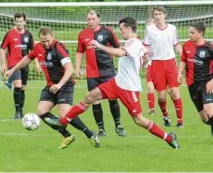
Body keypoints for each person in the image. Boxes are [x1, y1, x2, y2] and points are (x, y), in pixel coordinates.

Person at [45, 17, 180, 149]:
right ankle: (63, 121)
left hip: (128, 87)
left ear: (128, 28)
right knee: (90, 96)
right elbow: (145, 57)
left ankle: (169, 138)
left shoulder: (135, 43)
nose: (120, 32)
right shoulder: (133, 43)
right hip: (117, 82)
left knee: (139, 119)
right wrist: (140, 62)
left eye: (121, 29)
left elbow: (121, 53)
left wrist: (100, 46)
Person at [4, 26, 100, 149]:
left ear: (52, 36)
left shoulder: (58, 48)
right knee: (41, 111)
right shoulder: (38, 47)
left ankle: (90, 134)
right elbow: (27, 59)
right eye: (43, 41)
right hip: (51, 86)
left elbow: (70, 69)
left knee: (64, 113)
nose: (46, 43)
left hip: (65, 85)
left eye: (48, 40)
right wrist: (12, 70)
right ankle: (67, 136)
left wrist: (59, 84)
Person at [75, 10, 126, 137]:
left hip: (108, 72)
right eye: (88, 19)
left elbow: (119, 49)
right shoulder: (82, 34)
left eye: (93, 19)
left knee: (113, 98)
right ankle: (101, 128)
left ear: (98, 19)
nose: (90, 22)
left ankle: (118, 125)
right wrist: (77, 67)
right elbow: (80, 52)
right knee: (94, 100)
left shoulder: (107, 32)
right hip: (92, 74)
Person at [177, 21, 213, 144]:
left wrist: (212, 82)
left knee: (209, 111)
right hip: (192, 85)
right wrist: (180, 72)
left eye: (192, 32)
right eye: (189, 32)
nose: (190, 34)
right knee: (204, 117)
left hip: (206, 83)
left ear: (200, 33)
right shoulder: (187, 45)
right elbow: (183, 59)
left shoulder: (210, 48)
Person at [143, 6, 184, 127]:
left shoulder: (172, 28)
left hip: (170, 63)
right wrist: (146, 52)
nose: (157, 16)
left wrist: (184, 58)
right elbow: (145, 45)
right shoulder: (149, 29)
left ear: (165, 15)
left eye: (160, 14)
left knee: (174, 91)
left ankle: (180, 121)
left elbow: (176, 44)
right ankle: (165, 115)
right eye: (155, 14)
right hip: (156, 64)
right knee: (161, 96)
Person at [0, 12, 41, 119]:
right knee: (17, 85)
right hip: (13, 65)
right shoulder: (9, 34)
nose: (19, 23)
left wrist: (37, 64)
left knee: (22, 88)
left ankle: (21, 111)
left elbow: (33, 50)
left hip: (25, 64)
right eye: (17, 21)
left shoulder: (28, 35)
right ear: (14, 22)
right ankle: (17, 112)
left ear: (24, 22)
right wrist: (3, 64)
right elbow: (2, 48)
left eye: (21, 21)